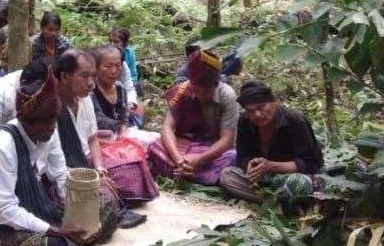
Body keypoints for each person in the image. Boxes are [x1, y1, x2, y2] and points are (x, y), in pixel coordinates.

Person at [0, 63, 92, 246]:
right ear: (25, 120)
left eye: (54, 121)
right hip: (0, 224)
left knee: (99, 211)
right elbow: (4, 210)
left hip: (37, 205)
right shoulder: (1, 145)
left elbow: (60, 174)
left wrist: (76, 210)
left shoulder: (48, 133)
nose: (52, 128)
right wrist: (54, 230)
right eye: (45, 122)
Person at [56, 50, 140, 228]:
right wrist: (91, 177)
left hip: (87, 160)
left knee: (132, 169)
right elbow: (55, 162)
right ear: (64, 76)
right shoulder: (53, 108)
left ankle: (111, 202)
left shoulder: (85, 99)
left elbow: (93, 138)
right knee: (99, 195)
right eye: (84, 76)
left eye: (92, 76)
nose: (90, 83)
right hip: (67, 170)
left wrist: (99, 167)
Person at [218, 80, 324, 203]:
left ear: (274, 102)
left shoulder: (295, 120)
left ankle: (274, 199)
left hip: (294, 176)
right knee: (227, 175)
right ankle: (276, 201)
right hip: (265, 178)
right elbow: (242, 157)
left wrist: (271, 166)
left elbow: (311, 164)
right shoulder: (245, 121)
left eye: (261, 107)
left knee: (297, 183)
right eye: (250, 111)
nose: (257, 114)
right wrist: (252, 166)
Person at [148, 50, 238, 186]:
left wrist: (199, 160)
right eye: (196, 89)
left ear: (216, 84)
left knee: (232, 157)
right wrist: (178, 158)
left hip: (210, 149)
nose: (201, 94)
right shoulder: (183, 90)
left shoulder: (227, 95)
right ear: (191, 83)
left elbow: (227, 140)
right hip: (183, 146)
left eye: (206, 91)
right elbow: (167, 127)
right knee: (154, 146)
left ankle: (179, 172)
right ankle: (189, 172)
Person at [90, 46, 159, 203]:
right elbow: (96, 119)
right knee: (126, 157)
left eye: (117, 66)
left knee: (154, 141)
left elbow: (125, 115)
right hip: (99, 138)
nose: (113, 70)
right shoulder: (91, 89)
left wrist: (122, 130)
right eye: (108, 66)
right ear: (96, 67)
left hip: (119, 135)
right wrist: (117, 130)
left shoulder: (120, 88)